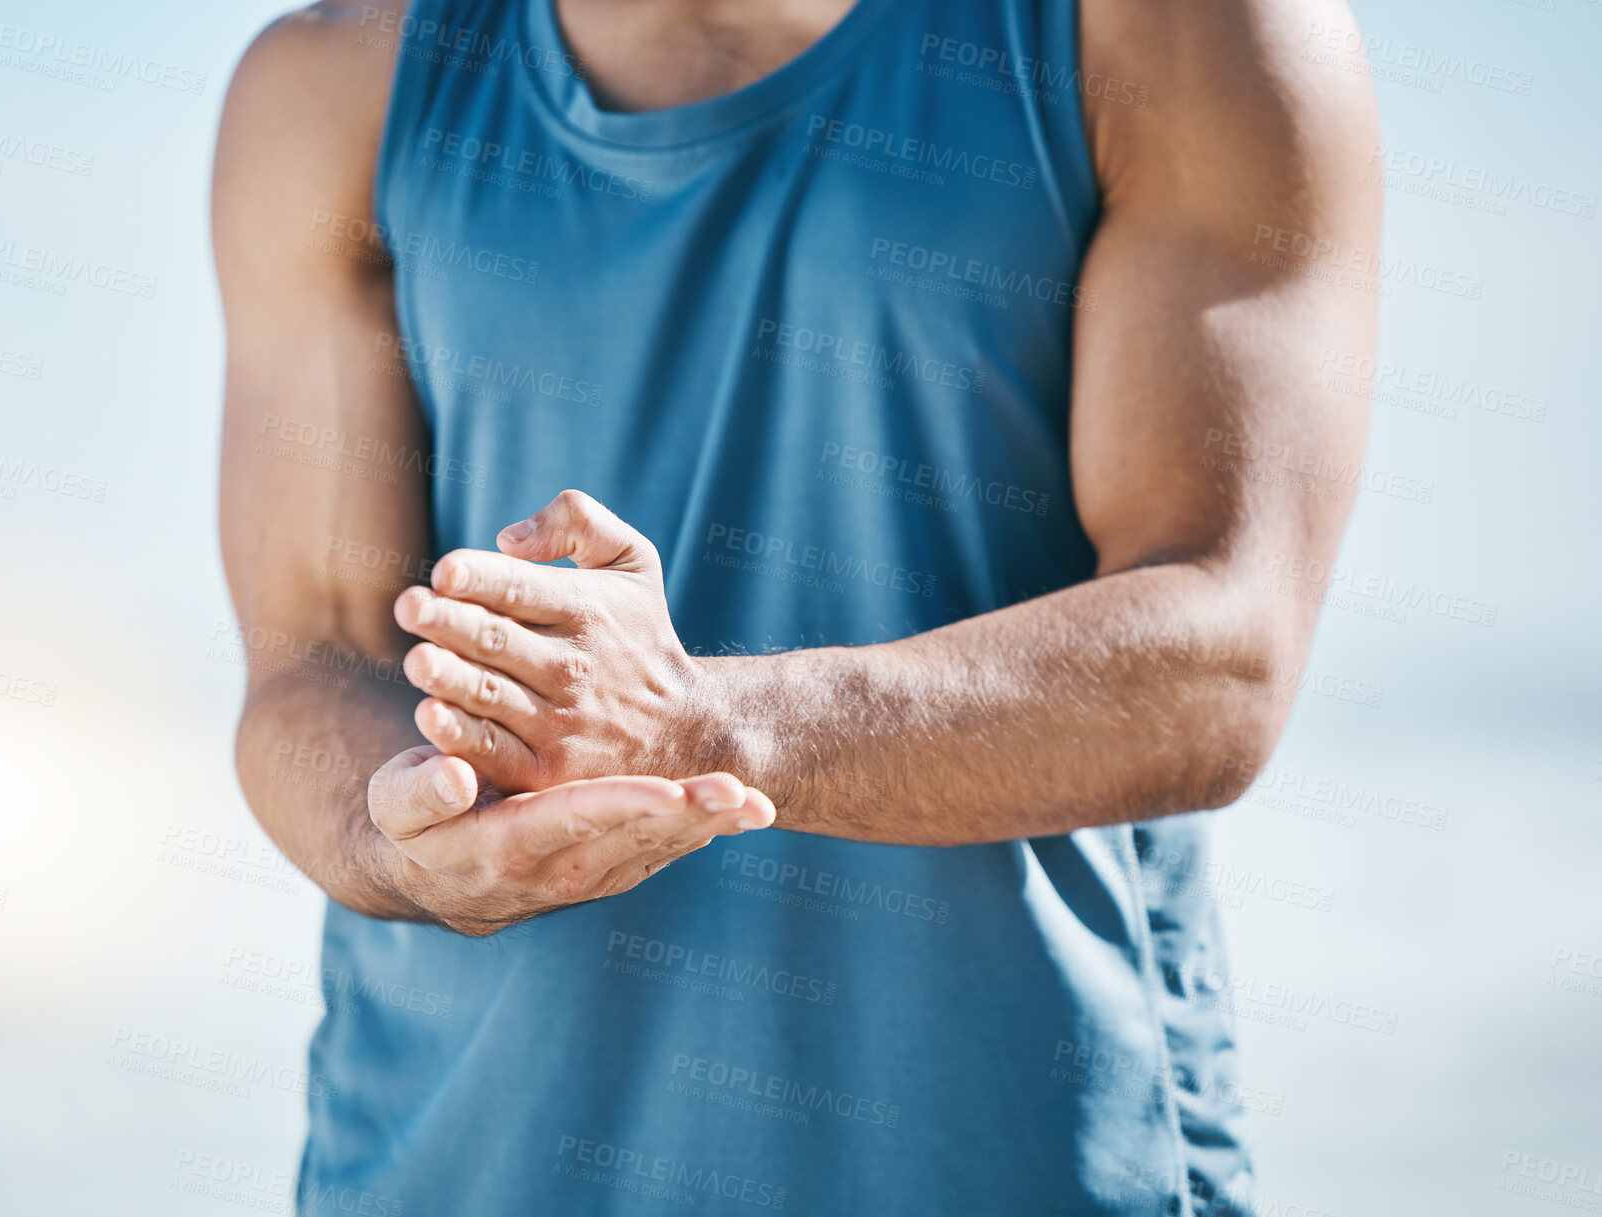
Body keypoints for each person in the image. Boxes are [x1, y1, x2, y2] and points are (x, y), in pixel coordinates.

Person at [213, 0, 1379, 1211]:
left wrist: (709, 723)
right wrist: (399, 843)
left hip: (1013, 1161)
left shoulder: (1178, 31)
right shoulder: (337, 83)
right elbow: (313, 658)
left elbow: (1221, 660)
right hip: (450, 1168)